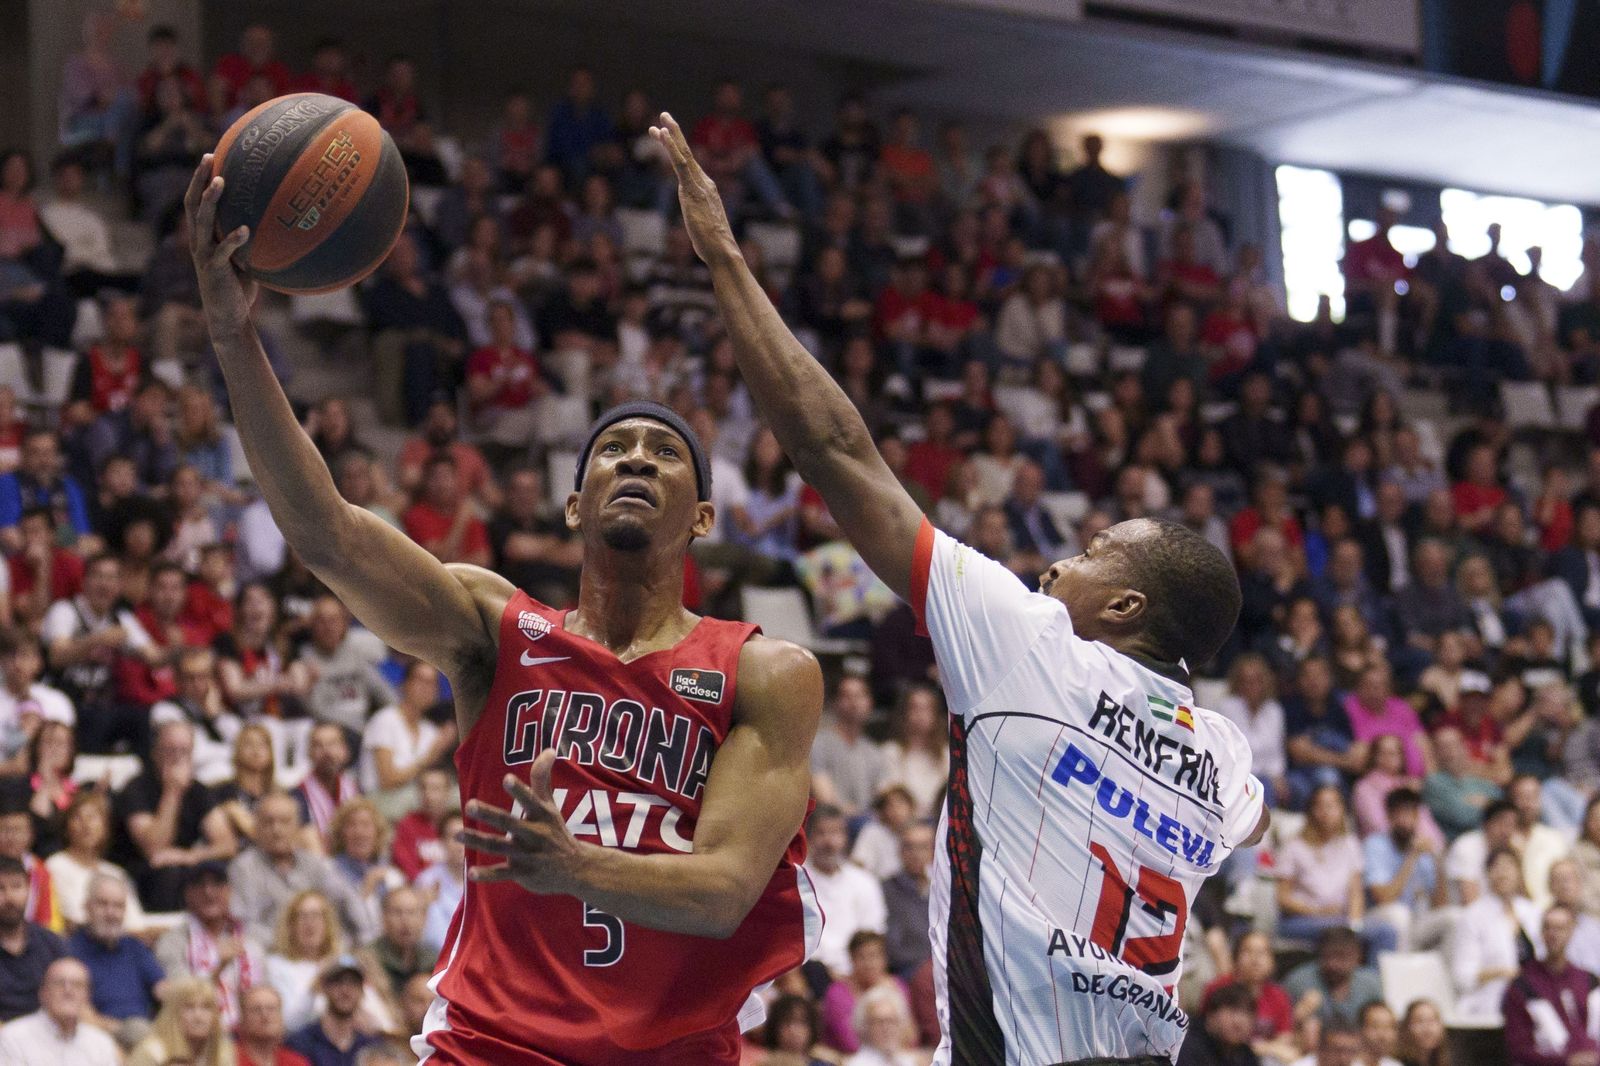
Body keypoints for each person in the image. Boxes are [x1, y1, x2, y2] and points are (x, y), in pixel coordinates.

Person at [656, 111, 1267, 1063]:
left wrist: (725, 258)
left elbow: (834, 450)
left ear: (1126, 608)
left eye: (1097, 549)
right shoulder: (1226, 761)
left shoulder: (1028, 641)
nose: (1061, 561)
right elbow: (1247, 808)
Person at [228, 792, 361, 946]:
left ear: (297, 827)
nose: (276, 830)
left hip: (321, 952)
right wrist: (292, 945)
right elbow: (244, 925)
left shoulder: (315, 864)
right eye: (268, 822)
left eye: (285, 822)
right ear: (256, 827)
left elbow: (345, 904)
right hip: (272, 956)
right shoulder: (243, 868)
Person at [1277, 786, 1395, 953]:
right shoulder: (1293, 846)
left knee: (1385, 932)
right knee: (1337, 930)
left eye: (1332, 806)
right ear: (1311, 811)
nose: (1326, 812)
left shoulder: (1350, 844)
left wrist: (1355, 925)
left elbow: (1356, 892)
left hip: (1341, 919)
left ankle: (1368, 979)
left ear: (1342, 811)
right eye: (1321, 806)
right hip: (1302, 919)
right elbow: (1282, 898)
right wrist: (1317, 912)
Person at [153, 861, 264, 1029]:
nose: (208, 892)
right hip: (196, 1034)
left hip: (249, 1034)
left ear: (229, 891)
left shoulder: (251, 939)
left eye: (217, 883)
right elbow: (183, 997)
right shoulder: (172, 942)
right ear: (187, 894)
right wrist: (218, 967)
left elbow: (265, 994)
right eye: (200, 884)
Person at [1501, 904, 1600, 1066]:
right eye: (1548, 928)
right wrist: (1566, 1061)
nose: (1553, 934)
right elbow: (1518, 1049)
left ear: (1571, 932)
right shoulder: (1523, 986)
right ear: (1541, 933)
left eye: (1560, 928)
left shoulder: (1589, 981)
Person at [1451, 848, 1543, 1023]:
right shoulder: (1473, 915)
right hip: (1493, 995)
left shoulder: (1531, 912)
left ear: (1519, 872)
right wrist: (1501, 972)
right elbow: (1462, 976)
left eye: (1509, 866)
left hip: (1534, 991)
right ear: (1487, 874)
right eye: (1496, 867)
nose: (1503, 873)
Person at [66, 873, 164, 1035]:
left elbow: (163, 989)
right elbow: (79, 1011)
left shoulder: (135, 947)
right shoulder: (70, 951)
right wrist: (120, 1030)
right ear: (87, 906)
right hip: (98, 1035)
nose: (111, 913)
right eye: (103, 904)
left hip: (146, 1032)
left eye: (118, 906)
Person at [358, 660, 456, 821]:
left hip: (417, 801)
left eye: (432, 684)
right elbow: (387, 780)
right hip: (380, 801)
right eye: (420, 680)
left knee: (455, 794)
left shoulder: (430, 731)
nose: (426, 688)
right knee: (443, 798)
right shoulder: (385, 720)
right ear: (404, 684)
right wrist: (431, 756)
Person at [805, 805, 887, 980]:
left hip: (860, 971)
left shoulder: (864, 881)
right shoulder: (796, 882)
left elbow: (872, 933)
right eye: (821, 833)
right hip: (814, 972)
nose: (829, 842)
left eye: (835, 833)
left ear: (845, 838)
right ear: (809, 838)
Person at [1362, 788, 1450, 951]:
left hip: (1417, 920)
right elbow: (1383, 897)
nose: (1405, 821)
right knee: (1399, 914)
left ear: (1417, 817)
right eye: (1399, 814)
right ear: (1389, 817)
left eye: (1410, 814)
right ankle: (1402, 974)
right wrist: (1411, 857)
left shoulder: (1425, 852)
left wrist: (1437, 862)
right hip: (1379, 918)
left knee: (1454, 917)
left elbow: (1441, 905)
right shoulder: (1375, 845)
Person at [0, 957, 120, 1066]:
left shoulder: (101, 1043)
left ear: (87, 997)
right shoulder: (12, 1039)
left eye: (77, 985)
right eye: (59, 983)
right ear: (43, 993)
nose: (68, 991)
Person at [1201, 931, 1297, 1063]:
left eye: (1262, 953)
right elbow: (1203, 1030)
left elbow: (1284, 1037)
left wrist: (1262, 1049)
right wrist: (1263, 1048)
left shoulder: (1279, 995)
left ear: (1272, 961)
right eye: (1248, 951)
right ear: (1235, 957)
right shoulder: (1218, 988)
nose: (1255, 959)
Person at [810, 675, 889, 817]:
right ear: (834, 703)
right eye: (847, 696)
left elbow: (882, 798)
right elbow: (825, 799)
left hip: (868, 823)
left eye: (860, 696)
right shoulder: (819, 744)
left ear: (870, 702)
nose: (854, 703)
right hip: (832, 822)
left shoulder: (874, 751)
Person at [0, 855, 65, 1021]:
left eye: (16, 886)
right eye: (0, 888)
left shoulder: (51, 943)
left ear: (29, 890)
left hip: (48, 1033)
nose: (9, 897)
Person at [1282, 928, 1384, 1027]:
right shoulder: (1298, 981)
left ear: (1357, 957)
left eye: (1342, 957)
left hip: (1361, 1042)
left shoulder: (1371, 984)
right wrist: (1300, 1013)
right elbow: (1280, 1027)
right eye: (1328, 956)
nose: (1333, 964)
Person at [285, 956, 377, 1066]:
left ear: (362, 990)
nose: (345, 990)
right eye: (338, 982)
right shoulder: (301, 1043)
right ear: (323, 987)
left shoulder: (371, 1045)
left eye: (353, 983)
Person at [128, 974, 235, 1066]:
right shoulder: (152, 1053)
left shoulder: (223, 1053)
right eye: (189, 1007)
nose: (198, 1016)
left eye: (206, 1007)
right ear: (173, 1014)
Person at [882, 820, 934, 978]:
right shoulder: (887, 889)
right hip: (907, 971)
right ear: (900, 850)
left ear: (933, 850)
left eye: (923, 847)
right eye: (909, 847)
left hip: (942, 968)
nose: (916, 854)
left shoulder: (943, 888)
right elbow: (893, 948)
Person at [1176, 982, 1262, 1066]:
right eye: (1232, 1011)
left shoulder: (1246, 1055)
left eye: (1247, 1014)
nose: (1239, 1022)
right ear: (1211, 1015)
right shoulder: (1185, 1045)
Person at [236, 985, 312, 1066]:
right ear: (242, 1019)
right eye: (256, 1009)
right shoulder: (229, 1059)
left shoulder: (297, 1063)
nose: (265, 1015)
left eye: (271, 1009)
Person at [1395, 1000, 1449, 1066]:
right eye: (1420, 1021)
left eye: (1432, 1020)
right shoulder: (1395, 1063)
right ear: (1406, 1028)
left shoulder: (1441, 1061)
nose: (1427, 1028)